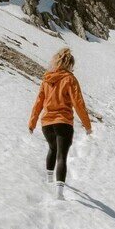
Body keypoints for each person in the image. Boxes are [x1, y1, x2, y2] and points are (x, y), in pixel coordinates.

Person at [28, 47, 92, 200]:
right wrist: (87, 125)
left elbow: (38, 103)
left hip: (46, 124)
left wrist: (32, 123)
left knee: (52, 148)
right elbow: (78, 103)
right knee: (62, 155)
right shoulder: (70, 79)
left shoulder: (47, 79)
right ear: (69, 64)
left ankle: (49, 180)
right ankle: (59, 193)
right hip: (63, 122)